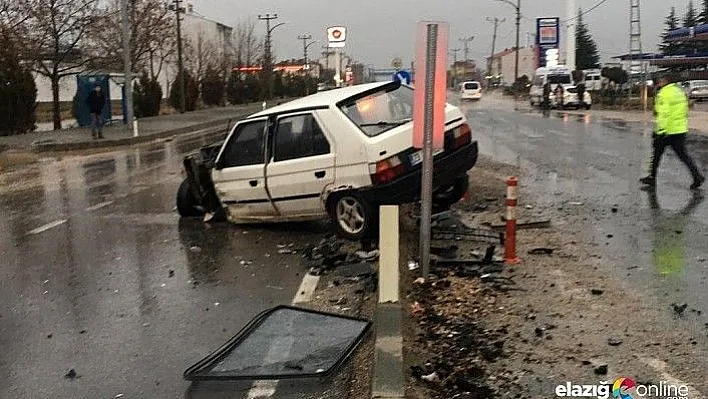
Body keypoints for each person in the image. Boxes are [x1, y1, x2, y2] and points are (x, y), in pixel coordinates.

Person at [640, 76, 705, 190]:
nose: (657, 85)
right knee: (683, 155)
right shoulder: (679, 92)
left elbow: (663, 115)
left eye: (658, 83)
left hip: (666, 131)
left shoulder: (663, 94)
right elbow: (685, 110)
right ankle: (697, 176)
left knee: (656, 155)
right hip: (679, 129)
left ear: (663, 82)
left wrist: (659, 132)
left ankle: (652, 177)